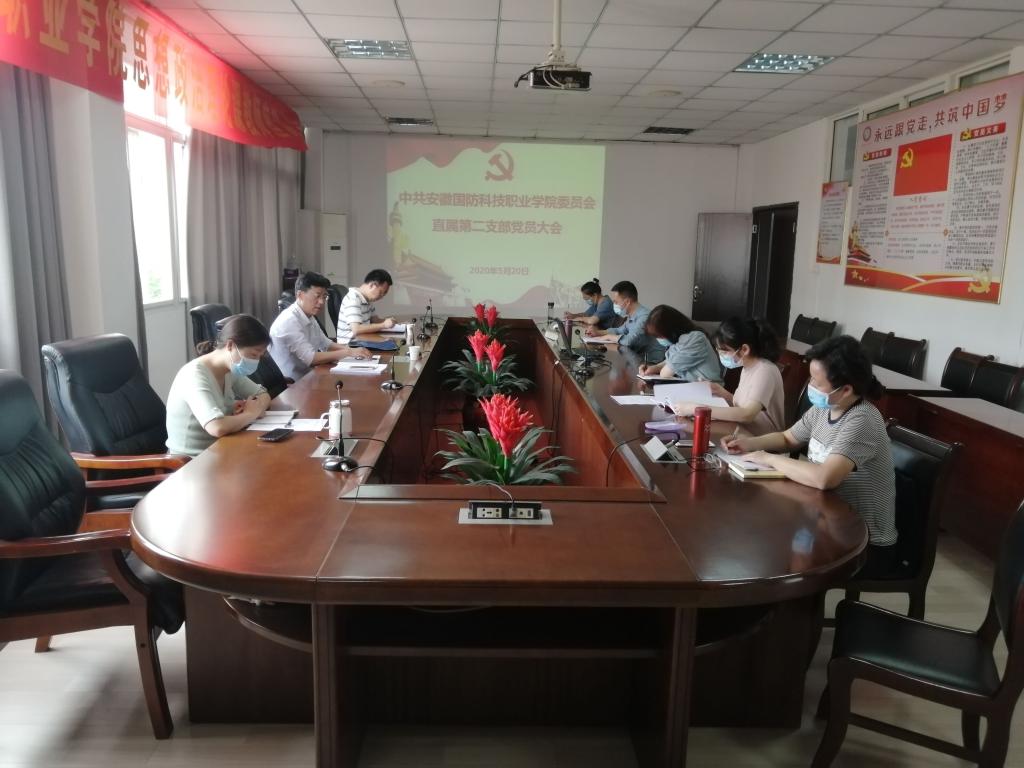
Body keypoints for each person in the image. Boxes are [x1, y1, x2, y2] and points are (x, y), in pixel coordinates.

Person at [721, 335, 896, 576]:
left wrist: (768, 458)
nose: (810, 386)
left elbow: (825, 478)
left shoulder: (862, 419)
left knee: (777, 553)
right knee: (761, 535)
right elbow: (788, 438)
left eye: (816, 381)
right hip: (824, 520)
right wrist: (748, 444)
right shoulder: (827, 408)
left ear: (846, 389)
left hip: (862, 540)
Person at [166, 314, 272, 457]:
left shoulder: (230, 369)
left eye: (260, 356)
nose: (256, 361)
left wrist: (252, 408)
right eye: (254, 355)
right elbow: (216, 427)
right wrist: (251, 413)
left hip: (222, 449)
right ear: (230, 345)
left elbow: (263, 395)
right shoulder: (194, 375)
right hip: (192, 461)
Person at [668, 316, 784, 435]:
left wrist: (696, 409)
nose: (721, 355)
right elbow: (744, 405)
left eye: (724, 351)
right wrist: (722, 392)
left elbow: (747, 414)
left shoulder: (765, 371)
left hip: (763, 438)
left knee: (693, 428)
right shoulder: (748, 367)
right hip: (744, 429)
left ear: (744, 349)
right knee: (690, 425)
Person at [269, 271, 369, 381]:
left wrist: (353, 350)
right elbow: (311, 358)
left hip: (308, 376)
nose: (321, 302)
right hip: (291, 383)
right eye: (317, 296)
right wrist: (348, 352)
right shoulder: (289, 321)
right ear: (300, 295)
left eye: (324, 296)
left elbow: (325, 343)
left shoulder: (308, 315)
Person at [585, 280, 664, 363]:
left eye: (616, 302)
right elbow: (619, 330)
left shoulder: (644, 316)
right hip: (636, 359)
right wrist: (598, 333)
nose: (614, 304)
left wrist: (609, 337)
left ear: (627, 302)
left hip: (650, 363)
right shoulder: (632, 315)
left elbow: (628, 341)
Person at [638, 305, 722, 383]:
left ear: (671, 330)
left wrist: (660, 369)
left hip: (710, 391)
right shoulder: (679, 341)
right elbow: (671, 361)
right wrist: (654, 368)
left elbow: (665, 373)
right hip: (692, 388)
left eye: (660, 336)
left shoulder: (695, 339)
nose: (659, 340)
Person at [337, 268, 397, 342]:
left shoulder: (367, 299)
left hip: (363, 340)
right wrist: (384, 325)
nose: (382, 297)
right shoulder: (353, 299)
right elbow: (356, 329)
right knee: (392, 345)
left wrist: (390, 321)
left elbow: (375, 320)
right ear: (372, 285)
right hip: (349, 344)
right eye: (381, 292)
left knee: (392, 342)